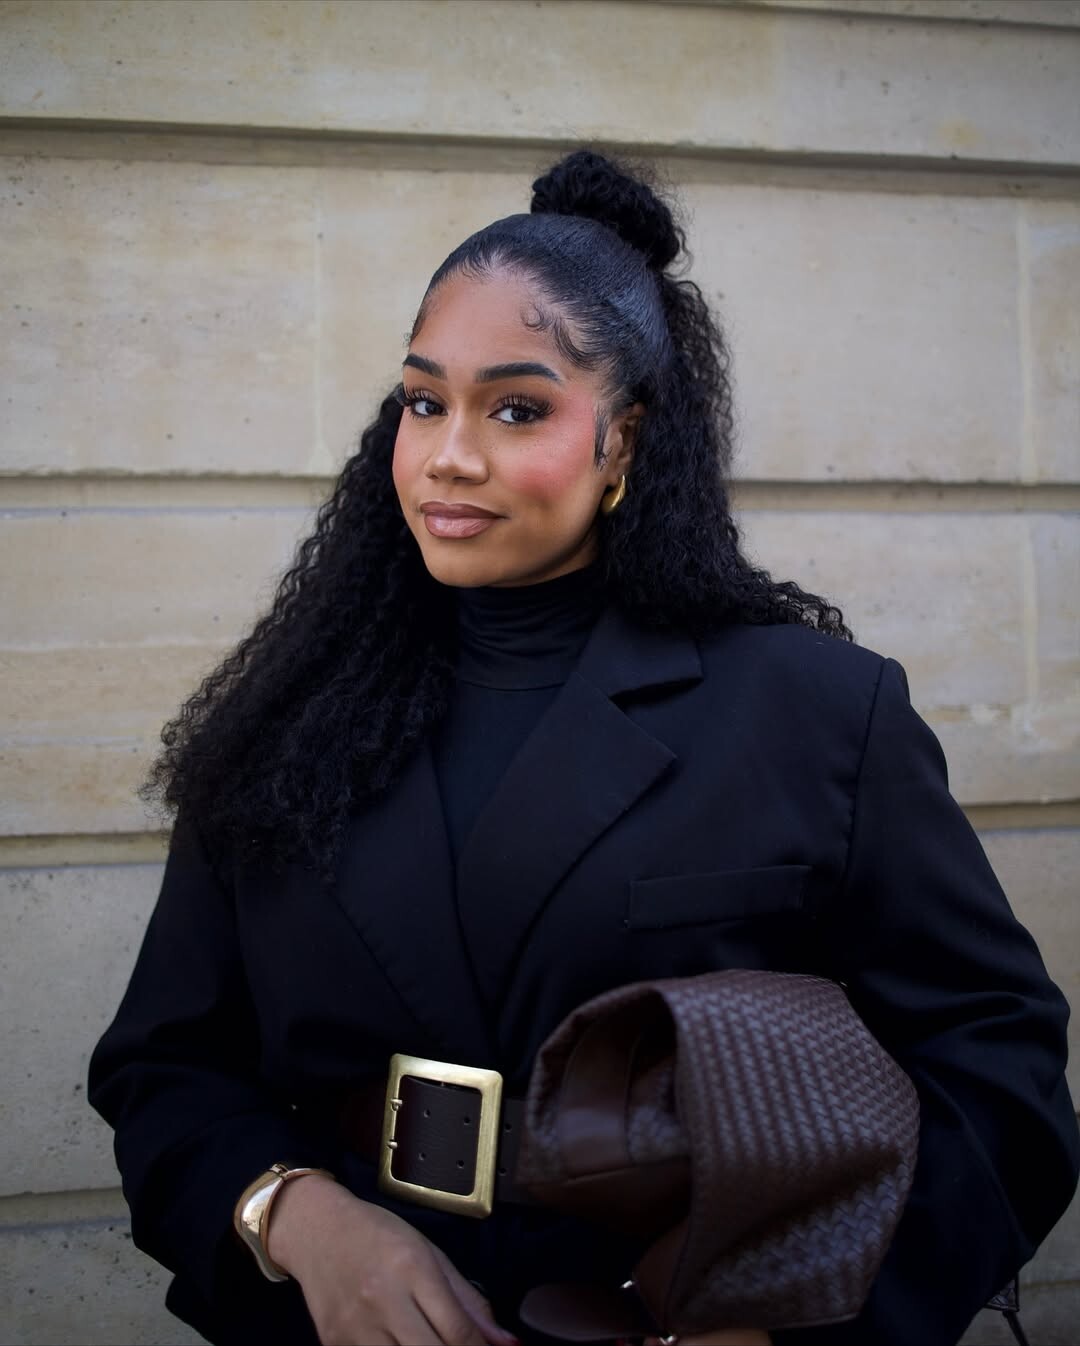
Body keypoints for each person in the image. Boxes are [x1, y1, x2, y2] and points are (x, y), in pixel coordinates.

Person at [88, 151, 1078, 1346]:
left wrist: (794, 1327)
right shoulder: (287, 712)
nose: (450, 454)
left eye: (518, 408)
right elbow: (165, 1066)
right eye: (422, 402)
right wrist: (295, 1218)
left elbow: (997, 1065)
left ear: (623, 440)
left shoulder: (815, 709)